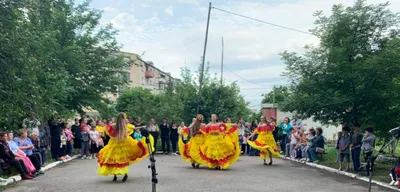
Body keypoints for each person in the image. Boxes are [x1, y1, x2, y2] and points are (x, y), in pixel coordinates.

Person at [97, 113, 154, 182]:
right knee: (124, 159)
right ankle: (124, 174)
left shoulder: (114, 125)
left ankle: (115, 175)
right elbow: (133, 128)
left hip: (115, 143)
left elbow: (107, 128)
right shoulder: (124, 126)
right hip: (124, 143)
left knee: (115, 158)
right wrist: (141, 127)